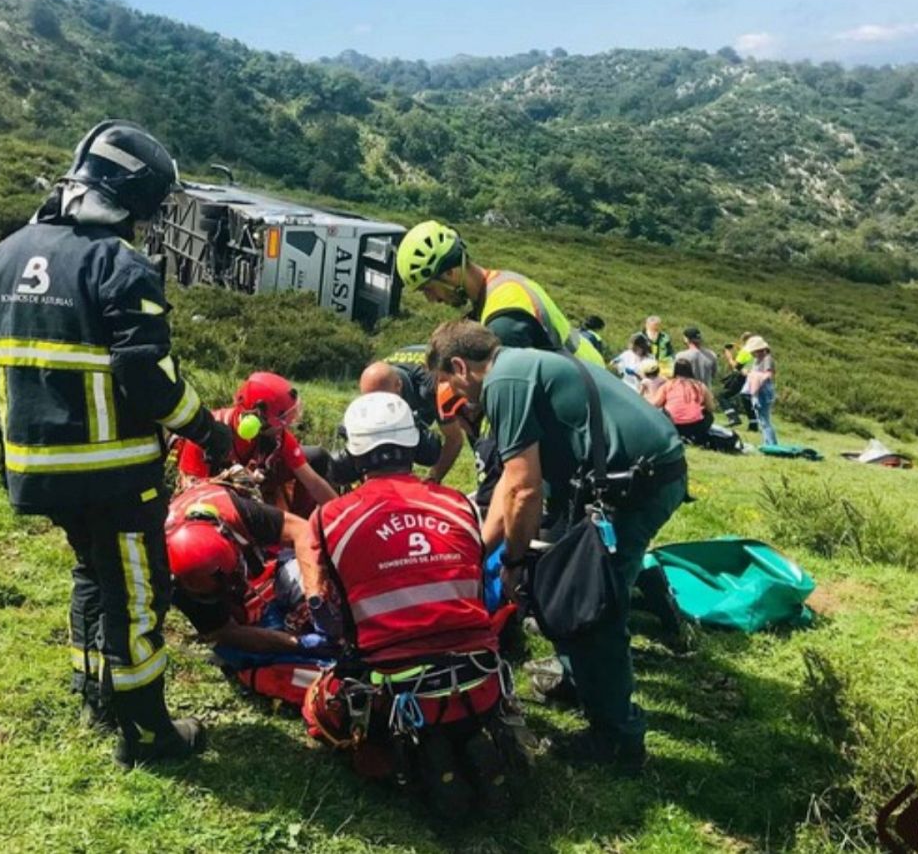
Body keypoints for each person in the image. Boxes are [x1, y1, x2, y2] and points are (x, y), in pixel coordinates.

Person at [0, 119, 233, 767]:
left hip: (34, 472)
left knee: (91, 575)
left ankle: (95, 692)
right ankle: (146, 735)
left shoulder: (0, 255)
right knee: (139, 598)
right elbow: (148, 378)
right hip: (115, 477)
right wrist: (207, 429)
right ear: (131, 196)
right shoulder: (118, 263)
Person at [428, 320, 687, 771]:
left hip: (636, 487)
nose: (457, 398)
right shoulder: (522, 364)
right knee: (558, 581)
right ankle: (577, 679)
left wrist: (508, 561)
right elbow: (510, 485)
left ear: (459, 366)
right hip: (620, 478)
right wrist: (475, 551)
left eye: (449, 384)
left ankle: (617, 741)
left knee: (593, 604)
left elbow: (524, 490)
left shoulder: (504, 382)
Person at [304, 392, 527, 816]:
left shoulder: (329, 519)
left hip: (393, 682)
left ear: (351, 456)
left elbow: (334, 610)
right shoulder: (460, 503)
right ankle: (472, 736)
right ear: (418, 447)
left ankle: (402, 756)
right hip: (478, 671)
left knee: (318, 702)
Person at [164, 474, 332, 706]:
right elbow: (226, 632)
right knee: (245, 652)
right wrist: (296, 643)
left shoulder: (232, 511)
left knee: (313, 580)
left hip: (273, 568)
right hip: (237, 606)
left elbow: (304, 532)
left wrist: (315, 595)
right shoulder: (174, 578)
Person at [394, 219, 603, 364]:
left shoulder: (504, 321)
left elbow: (517, 399)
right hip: (589, 376)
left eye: (428, 288)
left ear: (450, 273)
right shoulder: (502, 283)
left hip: (589, 403)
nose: (431, 300)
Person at [177, 372, 338, 516]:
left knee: (317, 457)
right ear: (256, 419)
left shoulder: (277, 437)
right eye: (282, 420)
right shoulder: (206, 435)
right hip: (210, 505)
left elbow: (314, 483)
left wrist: (341, 516)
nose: (286, 426)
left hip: (249, 497)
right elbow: (191, 495)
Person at [356, 347, 463, 483]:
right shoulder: (375, 380)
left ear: (398, 386)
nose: (379, 406)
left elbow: (455, 439)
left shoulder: (432, 386)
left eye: (385, 402)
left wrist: (432, 479)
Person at [649, 359, 717, 444]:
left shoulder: (669, 385)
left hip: (674, 425)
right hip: (696, 426)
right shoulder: (700, 386)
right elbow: (711, 407)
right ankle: (697, 436)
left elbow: (655, 404)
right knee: (709, 415)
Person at [745, 335, 778, 446]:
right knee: (762, 420)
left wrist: (757, 379)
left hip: (763, 391)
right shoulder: (756, 360)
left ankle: (771, 444)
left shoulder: (767, 359)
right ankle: (767, 442)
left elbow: (768, 374)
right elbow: (748, 371)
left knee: (765, 420)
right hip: (757, 390)